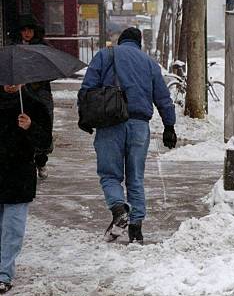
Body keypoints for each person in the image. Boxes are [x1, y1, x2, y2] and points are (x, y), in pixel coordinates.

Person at [78, 27, 177, 244]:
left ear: (121, 41)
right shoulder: (150, 63)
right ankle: (136, 228)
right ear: (139, 43)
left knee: (110, 174)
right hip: (139, 126)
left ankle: (118, 208)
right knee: (136, 177)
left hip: (110, 123)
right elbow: (163, 96)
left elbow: (87, 89)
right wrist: (169, 125)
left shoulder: (105, 55)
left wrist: (83, 117)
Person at [0, 84, 52, 294]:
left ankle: (4, 273)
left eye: (16, 80)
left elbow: (45, 142)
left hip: (19, 174)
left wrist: (31, 127)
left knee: (13, 228)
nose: (11, 84)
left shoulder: (33, 105)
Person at [14, 17, 54, 180]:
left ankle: (41, 160)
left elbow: (51, 71)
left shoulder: (43, 48)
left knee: (43, 126)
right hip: (20, 92)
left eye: (30, 30)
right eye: (24, 30)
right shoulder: (14, 48)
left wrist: (36, 82)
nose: (27, 33)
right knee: (22, 126)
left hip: (40, 93)